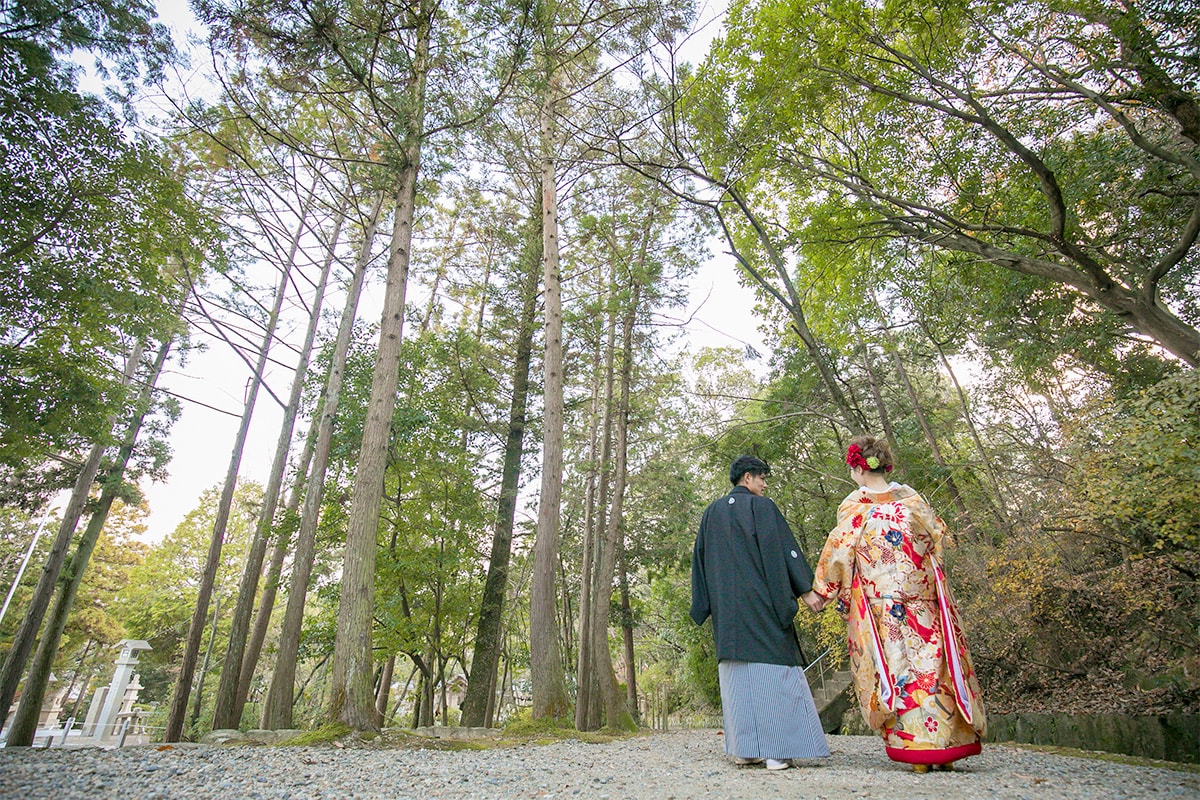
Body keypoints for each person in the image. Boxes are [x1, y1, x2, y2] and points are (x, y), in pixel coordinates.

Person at [811, 435, 986, 772]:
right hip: (924, 601)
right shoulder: (913, 502)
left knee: (898, 671)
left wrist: (823, 591)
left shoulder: (855, 508)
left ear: (858, 468)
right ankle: (947, 745)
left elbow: (839, 552)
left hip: (883, 607)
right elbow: (936, 538)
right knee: (934, 668)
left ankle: (918, 748)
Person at [690, 455, 830, 771]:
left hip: (728, 613)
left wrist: (704, 605)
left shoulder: (711, 513)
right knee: (774, 668)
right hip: (761, 606)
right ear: (748, 478)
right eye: (762, 478)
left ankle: (746, 749)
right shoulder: (762, 508)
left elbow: (699, 562)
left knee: (737, 676)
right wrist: (805, 589)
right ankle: (777, 752)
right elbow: (782, 549)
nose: (765, 485)